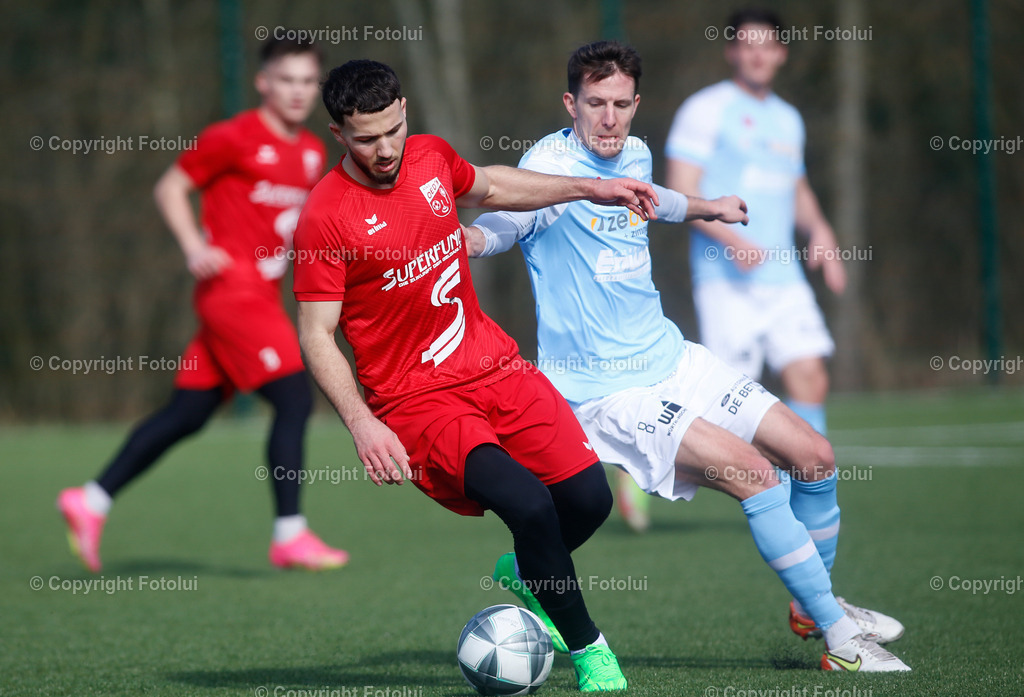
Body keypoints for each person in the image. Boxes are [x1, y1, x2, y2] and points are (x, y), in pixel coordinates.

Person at [464, 40, 910, 672]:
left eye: (621, 104)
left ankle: (816, 605)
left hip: (674, 359)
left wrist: (710, 207)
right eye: (596, 104)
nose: (610, 118)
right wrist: (461, 239)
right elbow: (503, 225)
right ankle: (841, 642)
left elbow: (658, 199)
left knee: (815, 457)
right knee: (755, 473)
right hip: (607, 393)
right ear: (571, 103)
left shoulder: (636, 152)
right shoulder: (547, 166)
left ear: (636, 103)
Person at [292, 58, 662, 692]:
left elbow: (490, 187)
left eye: (391, 131)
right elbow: (315, 332)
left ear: (405, 110)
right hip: (417, 401)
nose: (383, 150)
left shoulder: (432, 157)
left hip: (495, 366)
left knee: (588, 499)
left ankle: (526, 573)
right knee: (528, 503)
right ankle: (591, 652)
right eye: (364, 138)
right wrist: (362, 422)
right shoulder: (326, 215)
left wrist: (585, 187)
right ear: (336, 134)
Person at [57, 37, 348, 573]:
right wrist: (194, 246)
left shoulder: (310, 151)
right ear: (263, 83)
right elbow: (170, 186)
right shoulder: (232, 137)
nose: (298, 91)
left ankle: (90, 500)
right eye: (286, 80)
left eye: (308, 82)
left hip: (260, 296)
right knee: (294, 399)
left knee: (187, 414)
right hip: (231, 296)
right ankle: (290, 534)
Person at [665, 7, 845, 439]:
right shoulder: (705, 109)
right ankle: (639, 457)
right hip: (724, 279)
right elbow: (678, 189)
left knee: (810, 376)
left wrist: (821, 230)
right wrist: (730, 240)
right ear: (732, 52)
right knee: (727, 403)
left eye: (766, 47)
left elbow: (795, 188)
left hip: (784, 278)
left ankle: (806, 495)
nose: (757, 56)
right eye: (747, 46)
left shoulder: (789, 119)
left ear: (781, 54)